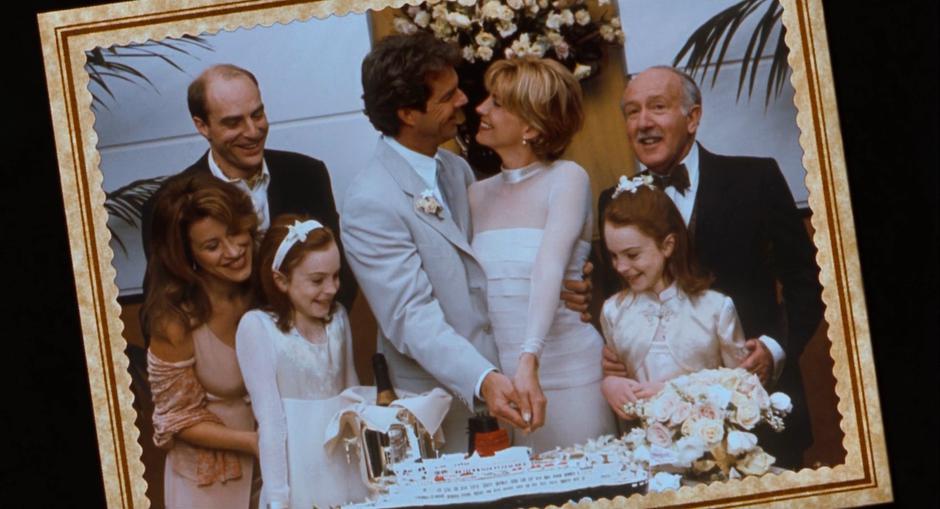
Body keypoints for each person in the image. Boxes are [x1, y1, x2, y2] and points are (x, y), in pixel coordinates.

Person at [342, 33, 591, 453]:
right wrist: (483, 378)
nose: (465, 101)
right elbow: (410, 316)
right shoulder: (370, 200)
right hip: (443, 405)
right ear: (407, 113)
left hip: (517, 386)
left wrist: (576, 282)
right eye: (447, 95)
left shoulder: (456, 170)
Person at [597, 66, 824, 469]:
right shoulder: (613, 200)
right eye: (632, 112)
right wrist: (612, 358)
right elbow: (612, 297)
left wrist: (775, 348)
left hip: (758, 411)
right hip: (660, 431)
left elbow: (807, 282)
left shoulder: (757, 178)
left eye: (657, 107)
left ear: (693, 117)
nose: (643, 122)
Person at [468, 57, 616, 451]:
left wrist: (528, 360)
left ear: (531, 127)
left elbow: (548, 267)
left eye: (497, 103)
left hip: (566, 372)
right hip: (507, 385)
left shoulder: (567, 178)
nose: (481, 109)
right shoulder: (475, 194)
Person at [141, 63, 357, 311]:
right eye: (233, 123)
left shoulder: (307, 174)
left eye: (257, 115)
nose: (253, 131)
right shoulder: (168, 202)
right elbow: (159, 305)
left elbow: (339, 270)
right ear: (202, 126)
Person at [143, 173, 260, 509]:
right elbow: (174, 418)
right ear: (187, 256)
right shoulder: (175, 321)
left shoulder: (266, 285)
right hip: (212, 483)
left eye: (236, 232)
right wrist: (253, 442)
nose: (234, 251)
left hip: (277, 468)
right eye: (212, 246)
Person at [236, 215, 366, 509]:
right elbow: (269, 421)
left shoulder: (338, 319)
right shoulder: (258, 328)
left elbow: (352, 394)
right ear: (281, 280)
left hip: (343, 468)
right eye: (318, 280)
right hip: (298, 472)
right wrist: (279, 496)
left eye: (336, 276)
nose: (332, 288)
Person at [598, 176, 749, 419]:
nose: (621, 267)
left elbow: (743, 387)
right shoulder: (613, 311)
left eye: (632, 255)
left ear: (667, 245)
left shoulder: (714, 308)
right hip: (642, 447)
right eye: (614, 256)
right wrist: (611, 384)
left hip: (711, 448)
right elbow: (617, 374)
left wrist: (677, 393)